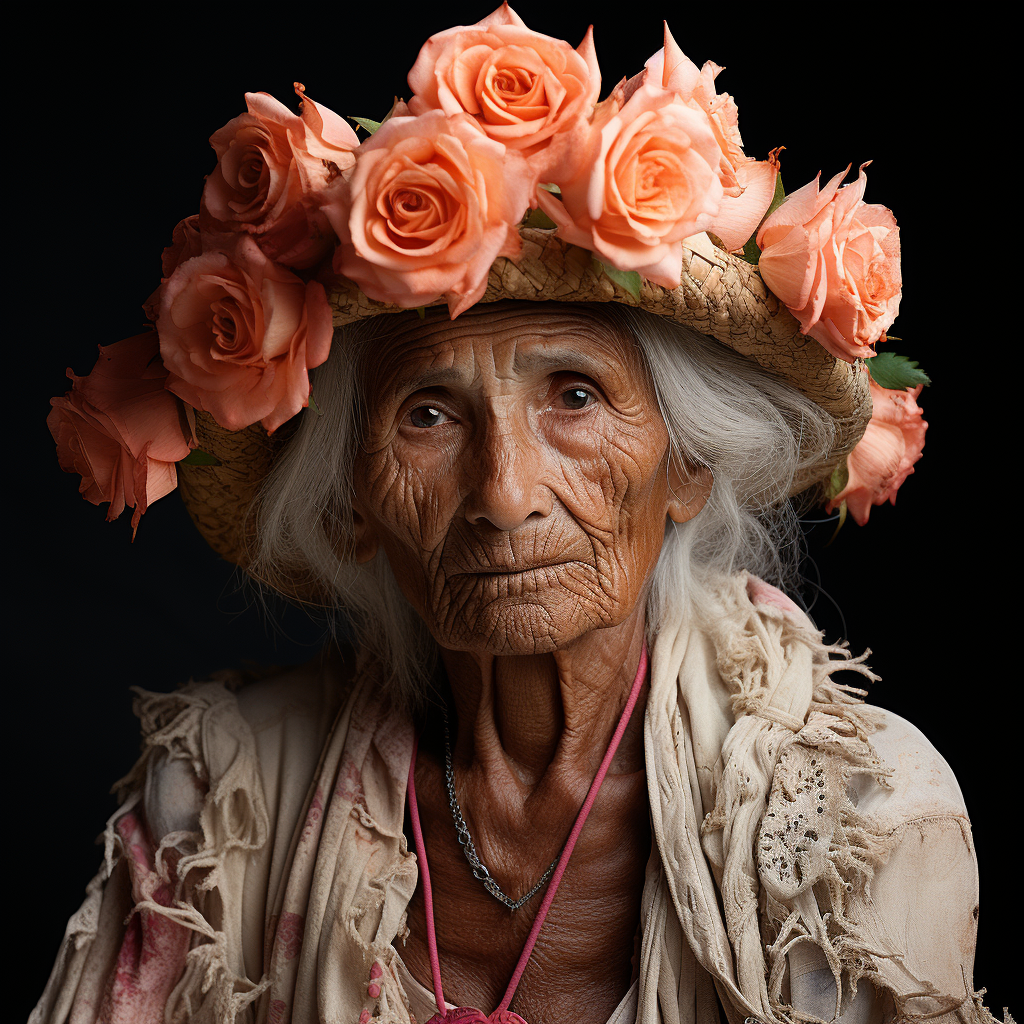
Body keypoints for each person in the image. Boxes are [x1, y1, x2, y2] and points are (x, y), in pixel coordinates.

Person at [30, 5, 1010, 1023]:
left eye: (575, 396)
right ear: (352, 502)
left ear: (688, 469)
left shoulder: (861, 811)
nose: (503, 494)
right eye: (426, 413)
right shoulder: (219, 805)